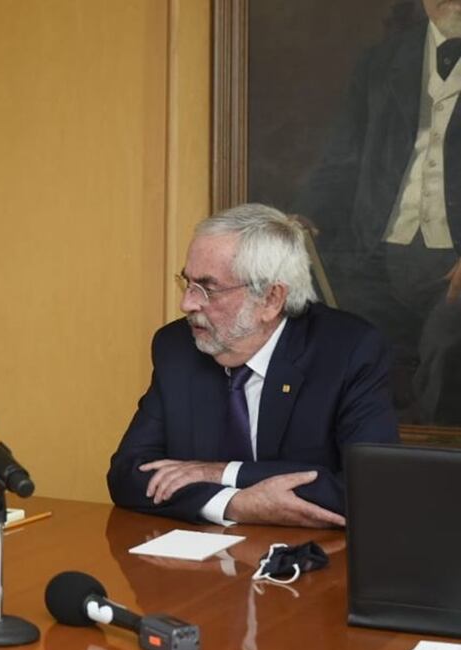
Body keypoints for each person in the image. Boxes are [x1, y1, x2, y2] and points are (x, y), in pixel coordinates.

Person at [107, 204, 398, 528]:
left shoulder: (348, 351)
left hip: (311, 564)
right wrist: (232, 504)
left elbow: (370, 489)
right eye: (187, 283)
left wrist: (222, 472)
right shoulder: (177, 347)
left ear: (271, 299)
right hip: (200, 566)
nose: (187, 303)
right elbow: (128, 474)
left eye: (208, 288)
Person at [293, 0, 461, 423]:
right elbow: (341, 159)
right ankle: (367, 474)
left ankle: (436, 476)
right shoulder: (382, 61)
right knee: (335, 347)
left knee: (447, 349)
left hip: (453, 267)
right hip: (378, 256)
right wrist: (308, 215)